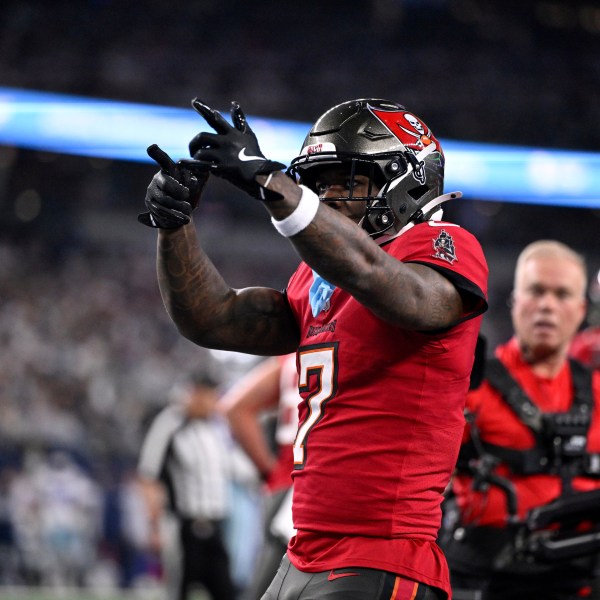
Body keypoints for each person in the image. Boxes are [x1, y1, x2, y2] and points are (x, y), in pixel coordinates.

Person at [139, 97, 489, 599]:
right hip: (303, 549)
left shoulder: (441, 246)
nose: (328, 196)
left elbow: (401, 295)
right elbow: (213, 318)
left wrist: (269, 181)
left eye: (348, 180)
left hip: (381, 551)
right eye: (319, 183)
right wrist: (174, 226)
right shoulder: (314, 278)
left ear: (406, 181)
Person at [443, 240, 600, 600]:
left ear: (580, 309)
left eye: (562, 294)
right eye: (536, 291)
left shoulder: (598, 389)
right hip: (486, 578)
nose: (547, 304)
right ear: (515, 301)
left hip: (580, 580)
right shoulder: (470, 386)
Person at [137, 372, 237, 600]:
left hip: (217, 524)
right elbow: (148, 474)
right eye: (204, 394)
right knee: (178, 590)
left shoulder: (216, 428)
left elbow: (232, 469)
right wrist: (154, 525)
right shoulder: (170, 423)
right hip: (184, 526)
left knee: (226, 590)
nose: (209, 402)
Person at [219, 353, 299, 600]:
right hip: (311, 488)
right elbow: (234, 409)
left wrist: (271, 471)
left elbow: (235, 408)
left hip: (285, 486)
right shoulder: (348, 345)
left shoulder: (290, 360)